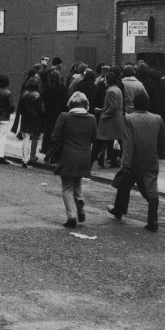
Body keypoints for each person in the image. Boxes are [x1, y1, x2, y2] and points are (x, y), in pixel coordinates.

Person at [108, 92, 165, 231]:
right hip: (151, 157)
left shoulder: (129, 119)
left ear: (134, 104)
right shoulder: (157, 118)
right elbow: (163, 139)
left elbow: (128, 142)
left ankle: (119, 210)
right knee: (151, 190)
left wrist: (125, 162)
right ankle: (153, 221)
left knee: (124, 184)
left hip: (134, 158)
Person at [48, 91, 97, 228]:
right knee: (77, 181)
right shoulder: (92, 118)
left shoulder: (65, 116)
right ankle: (80, 202)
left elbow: (55, 136)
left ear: (71, 104)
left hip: (68, 156)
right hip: (85, 156)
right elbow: (94, 138)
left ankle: (72, 217)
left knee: (67, 187)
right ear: (85, 104)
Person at [92, 69, 126, 167]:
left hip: (110, 121)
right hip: (117, 119)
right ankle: (114, 161)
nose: (105, 81)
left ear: (109, 81)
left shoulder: (111, 91)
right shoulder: (117, 89)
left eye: (106, 80)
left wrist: (104, 114)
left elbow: (113, 107)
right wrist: (102, 109)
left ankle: (90, 162)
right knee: (114, 142)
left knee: (100, 142)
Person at [17, 76, 45, 167]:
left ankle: (25, 159)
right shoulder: (38, 95)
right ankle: (32, 156)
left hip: (25, 119)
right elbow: (41, 110)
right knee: (35, 138)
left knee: (26, 138)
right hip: (36, 119)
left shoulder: (24, 94)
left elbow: (20, 108)